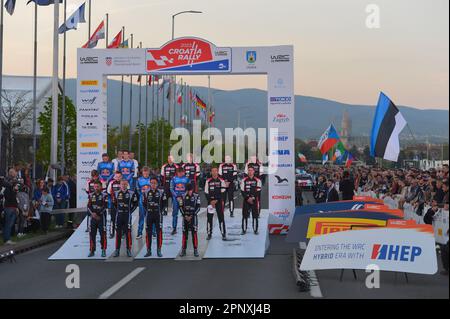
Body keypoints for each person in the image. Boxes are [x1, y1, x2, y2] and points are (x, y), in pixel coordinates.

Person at [112, 179, 138, 257]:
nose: (123, 186)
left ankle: (128, 250)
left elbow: (135, 203)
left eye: (125, 184)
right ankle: (117, 250)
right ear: (120, 185)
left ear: (127, 185)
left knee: (128, 233)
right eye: (122, 184)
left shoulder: (131, 193)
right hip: (119, 216)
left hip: (127, 215)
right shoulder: (116, 193)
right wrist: (118, 210)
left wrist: (130, 211)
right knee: (118, 234)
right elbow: (114, 204)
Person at [142, 177, 166, 257]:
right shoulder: (146, 192)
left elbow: (164, 203)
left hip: (158, 214)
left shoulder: (161, 192)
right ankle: (148, 250)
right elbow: (144, 203)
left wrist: (160, 211)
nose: (153, 184)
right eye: (152, 183)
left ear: (157, 184)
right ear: (150, 183)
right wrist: (148, 210)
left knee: (159, 232)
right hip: (149, 214)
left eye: (154, 183)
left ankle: (159, 250)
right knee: (148, 233)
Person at [204, 167, 227, 240]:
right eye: (212, 171)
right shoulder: (208, 181)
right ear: (211, 172)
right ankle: (209, 234)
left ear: (217, 172)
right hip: (210, 203)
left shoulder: (221, 181)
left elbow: (223, 192)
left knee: (221, 218)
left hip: (219, 202)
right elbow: (206, 192)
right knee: (209, 218)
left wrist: (216, 200)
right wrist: (211, 201)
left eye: (215, 171)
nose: (214, 172)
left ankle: (223, 234)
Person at [179, 184, 201, 257]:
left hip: (193, 217)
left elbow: (198, 207)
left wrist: (192, 215)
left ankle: (195, 250)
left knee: (194, 233)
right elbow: (181, 207)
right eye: (188, 190)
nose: (190, 192)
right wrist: (185, 215)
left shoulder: (196, 196)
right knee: (184, 234)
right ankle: (183, 249)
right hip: (185, 217)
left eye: (191, 190)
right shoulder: (182, 196)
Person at [87, 181, 108, 257]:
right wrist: (93, 214)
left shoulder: (104, 195)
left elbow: (105, 206)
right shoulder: (91, 195)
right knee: (92, 234)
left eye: (97, 186)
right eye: (95, 187)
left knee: (103, 234)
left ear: (101, 187)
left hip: (101, 217)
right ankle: (92, 250)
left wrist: (98, 214)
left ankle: (103, 250)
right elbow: (89, 206)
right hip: (93, 217)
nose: (96, 188)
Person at [240, 166, 262, 235]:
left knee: (255, 215)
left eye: (251, 170)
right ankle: (244, 230)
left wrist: (252, 198)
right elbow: (242, 191)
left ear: (254, 171)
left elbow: (258, 191)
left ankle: (255, 230)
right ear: (247, 171)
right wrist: (247, 198)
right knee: (244, 216)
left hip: (254, 200)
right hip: (246, 200)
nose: (250, 172)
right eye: (249, 170)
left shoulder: (258, 180)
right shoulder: (244, 180)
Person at [0, 170, 19, 245]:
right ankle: (6, 239)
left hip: (12, 207)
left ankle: (7, 238)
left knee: (10, 224)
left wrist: (16, 207)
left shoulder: (11, 187)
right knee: (8, 223)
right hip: (9, 207)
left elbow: (14, 198)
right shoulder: (7, 186)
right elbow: (8, 197)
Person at [170, 167, 190, 235]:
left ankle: (186, 227)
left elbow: (188, 189)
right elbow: (171, 188)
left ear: (184, 172)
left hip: (184, 198)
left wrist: (183, 196)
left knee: (185, 213)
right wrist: (177, 196)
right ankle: (174, 228)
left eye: (181, 172)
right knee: (175, 213)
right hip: (176, 199)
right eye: (179, 172)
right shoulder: (174, 179)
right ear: (177, 172)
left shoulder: (187, 179)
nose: (180, 173)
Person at [136, 166, 152, 239]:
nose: (145, 173)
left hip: (151, 199)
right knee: (142, 216)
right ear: (142, 172)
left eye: (147, 172)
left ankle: (153, 232)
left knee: (151, 216)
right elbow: (137, 189)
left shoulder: (152, 179)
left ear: (149, 172)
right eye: (144, 172)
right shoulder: (139, 180)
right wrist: (142, 195)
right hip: (142, 199)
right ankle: (139, 232)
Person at [107, 171, 123, 238]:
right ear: (114, 177)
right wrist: (109, 206)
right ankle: (112, 232)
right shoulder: (111, 183)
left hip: (122, 204)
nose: (118, 178)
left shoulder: (124, 182)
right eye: (116, 176)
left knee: (121, 219)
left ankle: (121, 233)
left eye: (119, 176)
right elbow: (108, 193)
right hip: (114, 203)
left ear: (121, 177)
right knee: (113, 219)